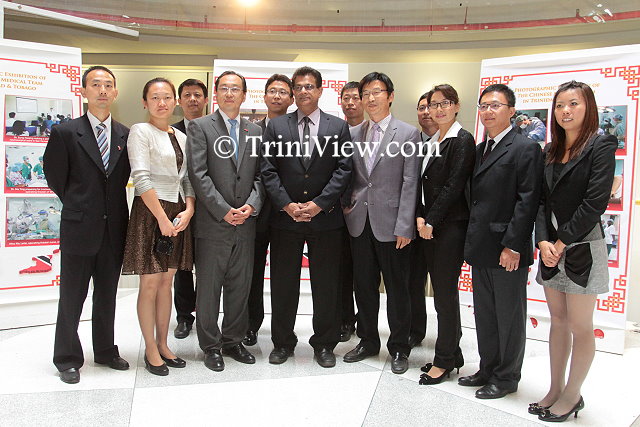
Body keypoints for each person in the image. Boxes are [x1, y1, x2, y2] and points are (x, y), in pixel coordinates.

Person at [530, 81, 616, 422]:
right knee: (558, 321)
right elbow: (539, 201)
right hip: (550, 248)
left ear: (587, 106)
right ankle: (555, 388)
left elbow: (594, 203)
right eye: (560, 105)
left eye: (573, 104)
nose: (565, 110)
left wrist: (561, 243)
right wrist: (542, 241)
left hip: (581, 247)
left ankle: (572, 394)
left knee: (580, 325)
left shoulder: (600, 145)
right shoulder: (549, 150)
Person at [44, 66, 131, 384]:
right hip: (79, 227)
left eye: (108, 85)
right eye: (95, 84)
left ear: (116, 92)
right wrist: (81, 204)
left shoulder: (125, 134)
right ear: (83, 92)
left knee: (107, 295)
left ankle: (106, 350)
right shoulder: (66, 132)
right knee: (72, 297)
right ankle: (67, 358)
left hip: (114, 229)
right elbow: (55, 176)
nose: (102, 90)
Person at [261, 66, 352, 368]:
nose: (303, 91)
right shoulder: (277, 126)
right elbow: (268, 170)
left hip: (325, 220)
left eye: (309, 86)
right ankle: (282, 342)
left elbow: (344, 170)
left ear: (320, 90)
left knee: (326, 285)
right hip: (285, 220)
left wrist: (319, 204)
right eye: (298, 87)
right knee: (283, 285)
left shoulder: (338, 127)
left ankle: (324, 344)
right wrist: (287, 204)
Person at [459, 83, 542, 398]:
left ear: (512, 111)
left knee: (509, 316)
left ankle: (506, 378)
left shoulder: (525, 147)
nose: (488, 111)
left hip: (507, 248)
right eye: (483, 106)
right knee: (486, 314)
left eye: (495, 105)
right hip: (481, 245)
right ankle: (488, 367)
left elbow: (528, 201)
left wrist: (513, 245)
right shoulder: (481, 149)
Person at [342, 72, 420, 374]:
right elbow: (349, 177)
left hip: (393, 225)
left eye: (377, 92)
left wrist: (405, 226)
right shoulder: (352, 134)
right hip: (359, 222)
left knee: (398, 290)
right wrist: (347, 207)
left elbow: (410, 182)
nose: (370, 98)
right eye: (366, 93)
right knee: (363, 287)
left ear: (390, 96)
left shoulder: (408, 134)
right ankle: (368, 341)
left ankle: (399, 347)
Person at [187, 70, 264, 372]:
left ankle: (233, 340)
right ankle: (211, 345)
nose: (230, 93)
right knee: (208, 288)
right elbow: (198, 174)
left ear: (244, 95)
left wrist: (251, 205)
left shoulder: (255, 131)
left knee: (240, 286)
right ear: (216, 93)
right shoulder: (200, 126)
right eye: (224, 88)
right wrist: (223, 209)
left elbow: (261, 175)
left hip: (246, 222)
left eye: (236, 89)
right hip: (213, 222)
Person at [122, 77, 194, 376]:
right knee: (150, 283)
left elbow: (187, 179)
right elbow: (141, 178)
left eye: (166, 97)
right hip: (151, 212)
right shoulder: (140, 131)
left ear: (175, 101)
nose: (161, 103)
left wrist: (189, 209)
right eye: (154, 97)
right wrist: (163, 219)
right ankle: (150, 348)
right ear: (145, 102)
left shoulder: (182, 137)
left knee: (167, 282)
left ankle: (164, 345)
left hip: (177, 213)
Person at [415, 84, 475, 384]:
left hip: (449, 228)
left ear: (456, 106)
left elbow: (454, 185)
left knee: (445, 296)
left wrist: (430, 221)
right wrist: (419, 215)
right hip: (429, 227)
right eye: (433, 104)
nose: (438, 110)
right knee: (441, 294)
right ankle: (453, 353)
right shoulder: (432, 140)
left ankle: (443, 361)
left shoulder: (462, 140)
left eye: (444, 103)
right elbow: (422, 183)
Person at [244, 73, 294, 347]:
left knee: (284, 276)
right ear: (263, 97)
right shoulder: (251, 130)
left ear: (291, 98)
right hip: (257, 211)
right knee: (252, 272)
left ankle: (283, 331)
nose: (277, 96)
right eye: (272, 91)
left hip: (287, 212)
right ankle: (251, 324)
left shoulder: (298, 130)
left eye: (283, 92)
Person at [171, 78, 209, 340]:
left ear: (205, 100)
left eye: (197, 95)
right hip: (180, 208)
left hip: (211, 208)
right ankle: (184, 317)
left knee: (209, 266)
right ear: (179, 100)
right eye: (187, 95)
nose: (193, 99)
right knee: (182, 265)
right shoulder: (169, 131)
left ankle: (207, 314)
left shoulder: (216, 129)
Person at [408, 91, 441, 348]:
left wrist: (430, 219)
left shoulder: (452, 142)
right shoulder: (410, 143)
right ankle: (415, 330)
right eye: (421, 108)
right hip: (412, 225)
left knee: (443, 288)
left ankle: (449, 338)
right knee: (413, 281)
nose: (426, 112)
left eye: (431, 106)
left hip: (441, 227)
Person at [338, 80, 364, 342]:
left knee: (364, 274)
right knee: (342, 270)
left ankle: (366, 322)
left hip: (367, 213)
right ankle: (345, 319)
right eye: (346, 98)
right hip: (340, 212)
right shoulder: (335, 130)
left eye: (355, 97)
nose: (350, 102)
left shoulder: (372, 131)